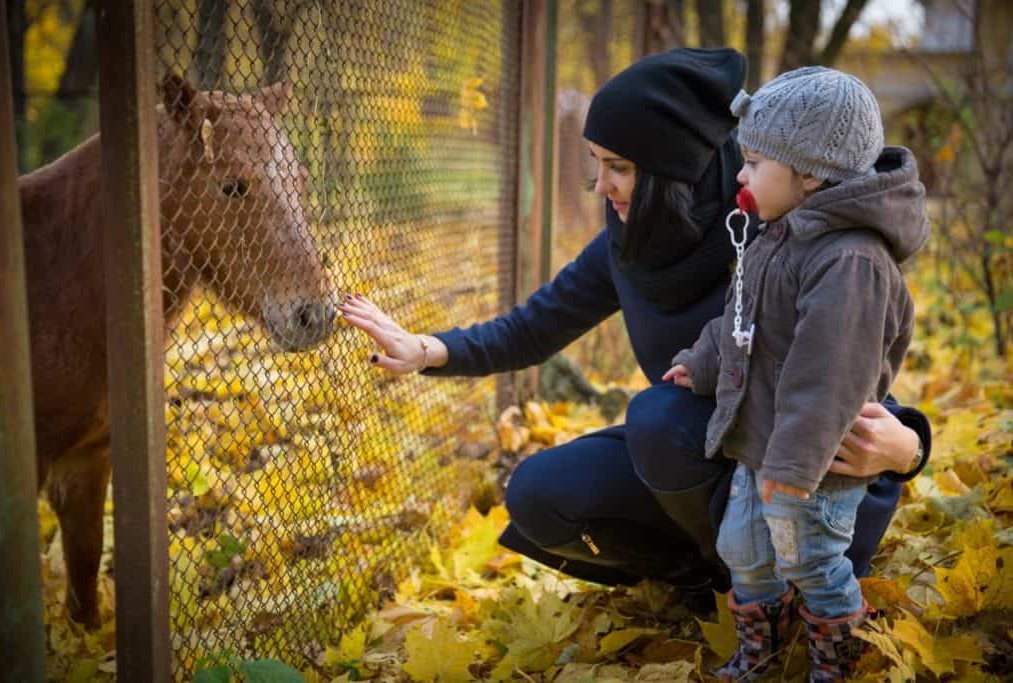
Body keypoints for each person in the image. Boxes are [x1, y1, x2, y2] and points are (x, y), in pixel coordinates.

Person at [336, 48, 931, 616]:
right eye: (596, 163)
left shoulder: (780, 217)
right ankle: (711, 581)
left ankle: (784, 588)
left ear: (674, 168)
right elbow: (534, 326)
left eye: (619, 167)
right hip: (709, 459)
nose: (600, 185)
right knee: (539, 494)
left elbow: (849, 362)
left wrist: (909, 449)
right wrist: (425, 350)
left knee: (659, 417)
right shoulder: (633, 239)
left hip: (812, 480)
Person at [667, 67, 929, 680]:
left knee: (811, 557)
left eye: (754, 163)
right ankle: (763, 644)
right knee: (744, 550)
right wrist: (703, 361)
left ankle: (836, 654)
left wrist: (792, 469)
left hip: (814, 462)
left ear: (809, 174)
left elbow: (828, 378)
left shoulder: (851, 261)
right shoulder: (780, 235)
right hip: (762, 448)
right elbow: (742, 317)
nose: (740, 175)